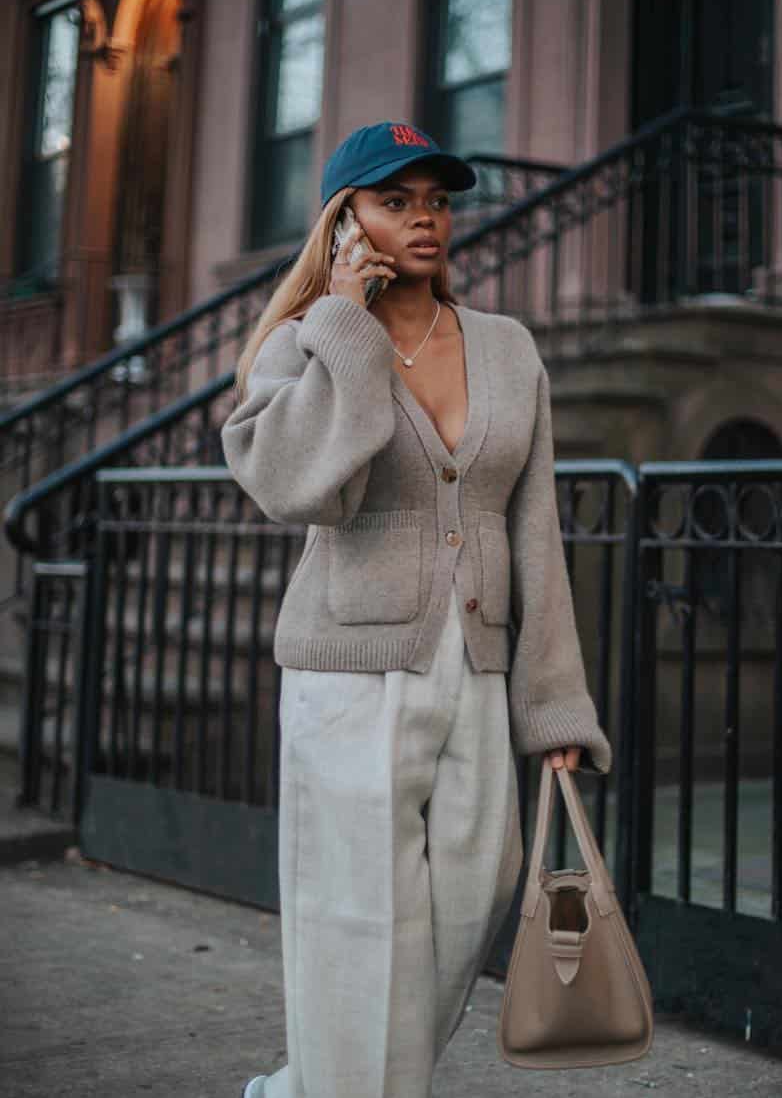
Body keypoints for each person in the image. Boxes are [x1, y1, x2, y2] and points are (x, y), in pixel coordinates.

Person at [221, 121, 613, 1098]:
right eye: (396, 201)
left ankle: (312, 1089)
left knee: (477, 892)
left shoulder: (509, 349)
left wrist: (554, 705)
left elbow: (536, 529)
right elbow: (301, 487)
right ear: (344, 220)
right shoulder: (300, 344)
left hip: (473, 664)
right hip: (349, 669)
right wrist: (348, 327)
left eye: (435, 200)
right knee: (355, 922)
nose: (424, 218)